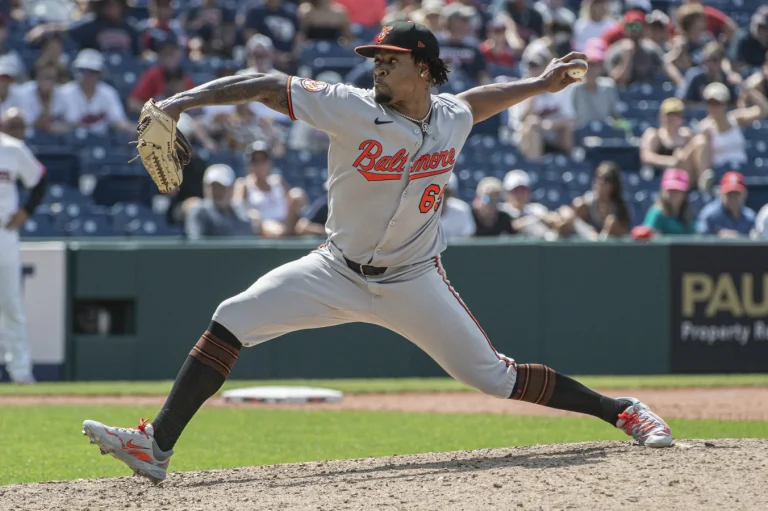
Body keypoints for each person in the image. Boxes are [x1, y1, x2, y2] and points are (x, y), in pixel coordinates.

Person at [82, 21, 673, 484]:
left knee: (494, 376)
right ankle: (155, 446)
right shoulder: (348, 104)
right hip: (334, 269)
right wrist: (182, 101)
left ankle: (621, 410)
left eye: (389, 61)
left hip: (414, 279)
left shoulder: (451, 117)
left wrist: (541, 85)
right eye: (376, 60)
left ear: (422, 68)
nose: (377, 68)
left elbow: (482, 98)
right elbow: (265, 86)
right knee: (232, 316)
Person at [0, 111, 48, 384]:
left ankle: (20, 373)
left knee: (11, 304)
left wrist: (26, 211)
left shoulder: (11, 148)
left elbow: (40, 179)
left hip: (3, 232)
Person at [677, 82, 768, 188]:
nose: (714, 107)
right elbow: (686, 157)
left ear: (725, 103)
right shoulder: (704, 127)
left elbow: (764, 110)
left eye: (718, 103)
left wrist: (746, 88)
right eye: (710, 103)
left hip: (741, 172)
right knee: (699, 142)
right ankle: (704, 185)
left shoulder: (736, 119)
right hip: (719, 177)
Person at [232, 140, 306, 237]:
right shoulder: (243, 183)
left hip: (287, 222)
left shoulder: (277, 180)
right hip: (264, 225)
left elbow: (291, 203)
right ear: (249, 164)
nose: (260, 164)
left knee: (296, 194)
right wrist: (250, 215)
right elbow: (236, 206)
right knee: (278, 231)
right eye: (255, 160)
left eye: (263, 160)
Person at [59, 49, 134, 136]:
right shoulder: (63, 92)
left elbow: (119, 122)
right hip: (71, 141)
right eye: (82, 70)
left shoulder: (108, 93)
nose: (87, 75)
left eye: (92, 72)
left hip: (100, 140)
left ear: (100, 73)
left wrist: (136, 130)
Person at [560, 161, 631, 239]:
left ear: (614, 184)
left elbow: (625, 233)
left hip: (609, 249)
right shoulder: (584, 205)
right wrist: (591, 234)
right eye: (598, 177)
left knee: (611, 222)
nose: (601, 182)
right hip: (586, 245)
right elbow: (572, 227)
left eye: (606, 179)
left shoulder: (619, 208)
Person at [184, 164, 256, 240]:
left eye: (221, 187)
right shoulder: (199, 212)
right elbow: (198, 246)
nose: (216, 192)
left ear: (231, 189)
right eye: (212, 187)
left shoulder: (241, 213)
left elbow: (246, 242)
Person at [639, 97, 693, 174]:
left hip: (682, 177)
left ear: (681, 118)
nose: (672, 118)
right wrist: (671, 161)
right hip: (658, 176)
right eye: (669, 115)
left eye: (676, 115)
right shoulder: (653, 134)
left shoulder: (687, 135)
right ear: (661, 117)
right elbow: (646, 157)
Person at [695, 171, 755, 238]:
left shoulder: (749, 217)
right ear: (721, 193)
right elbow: (699, 240)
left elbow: (755, 240)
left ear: (744, 194)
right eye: (729, 194)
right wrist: (718, 238)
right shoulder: (709, 215)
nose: (733, 198)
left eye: (736, 194)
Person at [642, 168, 694, 235]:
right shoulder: (656, 213)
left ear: (684, 193)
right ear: (663, 191)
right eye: (670, 190)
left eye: (677, 190)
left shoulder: (687, 215)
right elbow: (648, 241)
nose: (674, 194)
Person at [440, 174, 475, 240]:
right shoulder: (420, 211)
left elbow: (467, 240)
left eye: (446, 192)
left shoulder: (461, 209)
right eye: (438, 191)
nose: (442, 196)